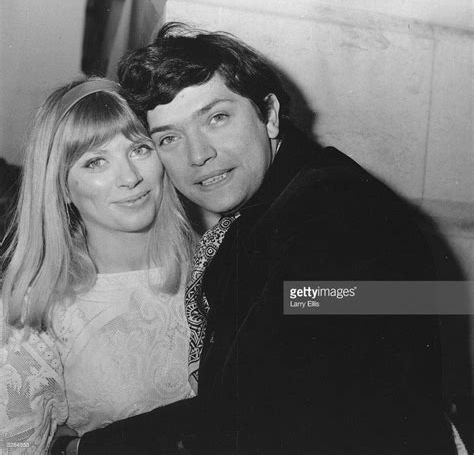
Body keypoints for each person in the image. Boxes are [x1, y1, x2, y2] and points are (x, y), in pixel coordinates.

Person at [73, 24, 462, 454]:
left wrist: (84, 449)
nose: (198, 154)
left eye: (216, 118)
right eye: (169, 137)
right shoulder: (287, 201)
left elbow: (257, 415)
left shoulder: (336, 214)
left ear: (270, 115)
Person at [0, 77, 195, 454]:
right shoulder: (34, 311)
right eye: (96, 162)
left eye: (139, 149)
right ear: (62, 188)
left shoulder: (222, 256)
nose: (130, 178)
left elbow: (339, 302)